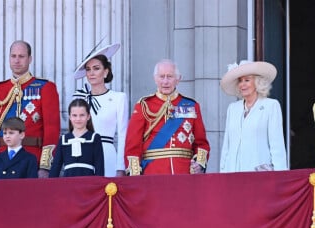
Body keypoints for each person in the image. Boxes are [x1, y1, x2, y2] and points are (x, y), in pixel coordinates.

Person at [0, 40, 61, 178]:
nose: (17, 60)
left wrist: (45, 166)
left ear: (29, 59)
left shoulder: (45, 87)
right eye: (13, 56)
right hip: (2, 160)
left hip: (33, 159)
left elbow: (52, 129)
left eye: (21, 56)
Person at [124, 59, 210, 175]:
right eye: (161, 76)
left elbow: (201, 143)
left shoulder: (191, 105)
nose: (165, 81)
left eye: (169, 76)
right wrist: (135, 175)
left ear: (178, 79)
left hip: (184, 172)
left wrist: (199, 165)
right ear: (155, 79)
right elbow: (132, 144)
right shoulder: (144, 105)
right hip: (153, 172)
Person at [219, 60, 288, 172]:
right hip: (232, 174)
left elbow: (277, 146)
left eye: (247, 80)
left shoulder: (270, 106)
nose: (242, 84)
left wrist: (280, 175)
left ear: (257, 82)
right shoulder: (233, 108)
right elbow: (226, 146)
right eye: (240, 81)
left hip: (259, 174)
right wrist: (222, 172)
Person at [73, 42, 129, 177]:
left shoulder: (118, 98)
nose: (91, 73)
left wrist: (120, 167)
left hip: (107, 153)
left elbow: (123, 134)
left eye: (96, 68)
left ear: (106, 72)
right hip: (81, 153)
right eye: (88, 69)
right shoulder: (79, 97)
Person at [49, 99, 104, 177]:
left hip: (88, 184)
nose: (78, 119)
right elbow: (55, 168)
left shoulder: (94, 138)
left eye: (82, 115)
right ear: (70, 117)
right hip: (68, 184)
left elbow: (100, 168)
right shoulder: (64, 139)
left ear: (88, 116)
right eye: (74, 115)